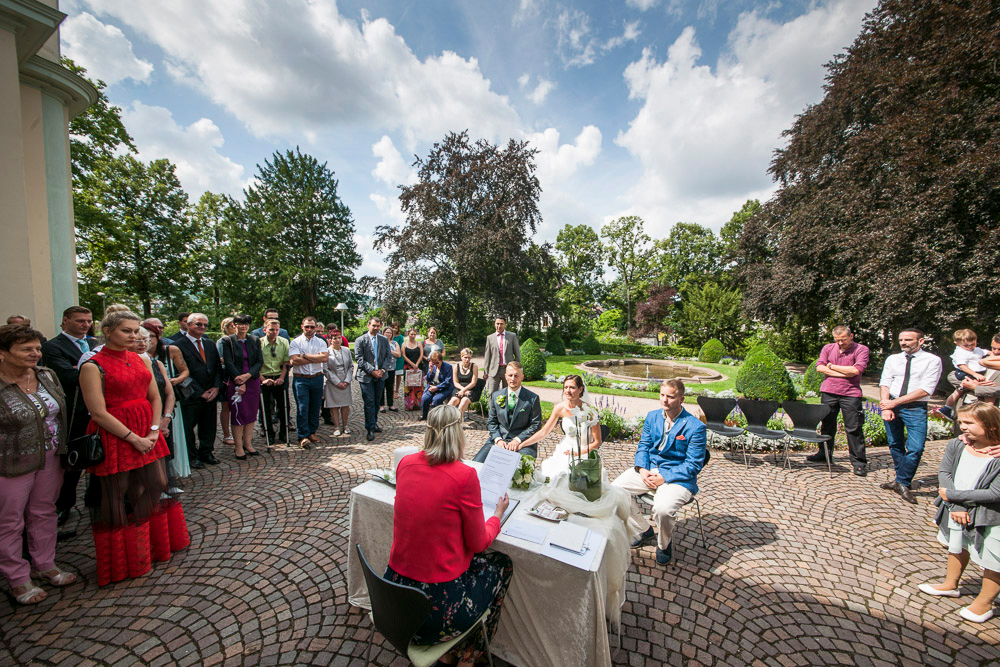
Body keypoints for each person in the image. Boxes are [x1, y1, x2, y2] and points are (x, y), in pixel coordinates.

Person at [386, 404, 513, 666]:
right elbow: (479, 543)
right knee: (501, 564)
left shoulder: (406, 464)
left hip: (394, 598)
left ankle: (448, 653)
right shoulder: (464, 476)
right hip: (436, 610)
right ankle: (467, 657)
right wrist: (497, 516)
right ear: (458, 435)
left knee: (472, 567)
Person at [79, 310, 190, 586]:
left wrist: (153, 431)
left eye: (135, 331)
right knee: (116, 492)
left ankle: (140, 538)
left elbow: (154, 396)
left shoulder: (141, 359)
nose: (132, 336)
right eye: (125, 331)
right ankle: (122, 554)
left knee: (157, 483)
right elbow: (97, 412)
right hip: (115, 431)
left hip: (146, 428)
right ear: (107, 331)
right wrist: (133, 438)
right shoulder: (93, 366)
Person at [0, 324, 77, 604]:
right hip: (10, 461)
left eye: (36, 348)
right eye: (26, 349)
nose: (35, 353)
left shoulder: (46, 375)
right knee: (9, 521)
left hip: (50, 455)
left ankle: (45, 564)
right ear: (3, 353)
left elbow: (58, 412)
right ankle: (17, 577)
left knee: (44, 511)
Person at [612, 379, 708, 565]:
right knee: (615, 490)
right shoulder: (652, 416)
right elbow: (644, 446)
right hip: (650, 469)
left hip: (678, 477)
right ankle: (643, 529)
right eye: (662, 395)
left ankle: (664, 545)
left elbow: (693, 465)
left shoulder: (695, 427)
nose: (664, 400)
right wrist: (642, 469)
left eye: (670, 397)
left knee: (663, 509)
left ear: (681, 398)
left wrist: (665, 477)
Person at [920, 403, 1000, 623]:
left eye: (969, 423)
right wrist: (956, 506)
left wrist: (954, 497)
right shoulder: (958, 445)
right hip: (957, 508)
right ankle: (950, 583)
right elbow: (945, 473)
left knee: (994, 559)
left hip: (989, 514)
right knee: (957, 544)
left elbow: (995, 493)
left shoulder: (997, 454)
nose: (963, 427)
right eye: (961, 422)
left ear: (991, 426)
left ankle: (984, 603)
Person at [41, 306, 97, 531]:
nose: (85, 325)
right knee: (73, 459)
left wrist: (85, 368)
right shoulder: (52, 347)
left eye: (88, 321)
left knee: (99, 454)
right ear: (64, 322)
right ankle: (64, 505)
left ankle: (94, 496)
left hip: (100, 408)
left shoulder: (94, 344)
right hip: (75, 409)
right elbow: (68, 376)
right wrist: (92, 370)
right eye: (80, 321)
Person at [879, 328, 943, 504]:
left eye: (908, 340)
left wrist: (894, 403)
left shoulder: (932, 361)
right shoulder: (893, 359)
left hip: (915, 408)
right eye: (901, 340)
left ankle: (901, 481)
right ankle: (902, 481)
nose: (904, 343)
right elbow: (885, 383)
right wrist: (886, 405)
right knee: (895, 444)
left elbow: (925, 389)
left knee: (916, 447)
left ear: (921, 341)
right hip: (891, 405)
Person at [809, 325, 871, 476]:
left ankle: (859, 462)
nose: (840, 343)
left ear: (851, 336)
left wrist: (833, 367)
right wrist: (845, 373)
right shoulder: (828, 348)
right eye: (837, 340)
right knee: (827, 425)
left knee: (853, 428)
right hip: (828, 391)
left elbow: (856, 370)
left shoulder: (861, 349)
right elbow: (820, 368)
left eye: (843, 340)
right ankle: (824, 454)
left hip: (851, 394)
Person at [520, 375, 602, 479]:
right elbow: (544, 432)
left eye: (572, 387)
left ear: (580, 389)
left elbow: (597, 441)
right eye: (565, 387)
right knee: (554, 476)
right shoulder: (560, 408)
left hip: (584, 452)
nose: (568, 391)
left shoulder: (590, 411)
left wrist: (578, 453)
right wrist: (523, 444)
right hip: (565, 450)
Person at [170, 313, 223, 469]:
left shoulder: (209, 343)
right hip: (191, 393)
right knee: (188, 428)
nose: (202, 328)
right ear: (189, 325)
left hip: (211, 392)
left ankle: (206, 452)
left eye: (205, 325)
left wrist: (216, 387)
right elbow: (180, 371)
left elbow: (217, 368)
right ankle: (192, 456)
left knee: (209, 425)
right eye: (198, 324)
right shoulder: (178, 344)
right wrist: (199, 392)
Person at [473, 362, 542, 462]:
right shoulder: (496, 396)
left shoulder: (532, 398)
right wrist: (498, 439)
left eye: (516, 376)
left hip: (523, 443)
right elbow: (492, 422)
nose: (513, 379)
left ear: (522, 377)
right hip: (499, 440)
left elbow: (536, 425)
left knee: (518, 470)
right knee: (476, 464)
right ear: (505, 376)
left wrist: (517, 440)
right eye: (510, 375)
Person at [147, 327, 189, 484]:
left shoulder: (162, 357)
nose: (147, 340)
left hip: (167, 405)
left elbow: (184, 371)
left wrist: (176, 381)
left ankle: (170, 474)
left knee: (170, 439)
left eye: (152, 336)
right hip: (146, 408)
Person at [221, 315, 262, 460]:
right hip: (235, 380)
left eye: (246, 324)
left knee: (251, 412)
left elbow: (259, 361)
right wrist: (240, 380)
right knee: (238, 413)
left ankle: (248, 443)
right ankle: (238, 446)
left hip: (252, 381)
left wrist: (248, 376)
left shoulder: (255, 340)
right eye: (240, 324)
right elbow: (228, 362)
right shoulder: (228, 341)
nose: (243, 326)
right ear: (234, 324)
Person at [290, 317, 329, 449]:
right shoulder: (296, 342)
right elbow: (294, 361)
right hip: (301, 379)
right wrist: (315, 358)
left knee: (315, 407)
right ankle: (303, 435)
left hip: (317, 377)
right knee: (302, 407)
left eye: (312, 327)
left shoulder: (320, 341)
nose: (309, 329)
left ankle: (312, 432)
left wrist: (304, 356)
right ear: (302, 326)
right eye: (307, 326)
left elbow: (324, 358)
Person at [940, 329, 991, 420]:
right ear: (957, 343)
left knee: (963, 390)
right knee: (960, 390)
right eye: (966, 345)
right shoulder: (961, 352)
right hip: (966, 372)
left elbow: (987, 352)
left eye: (973, 344)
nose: (970, 347)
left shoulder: (977, 349)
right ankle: (947, 407)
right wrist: (974, 374)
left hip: (977, 373)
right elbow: (962, 365)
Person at [355, 318, 390, 442]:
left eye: (378, 326)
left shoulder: (384, 340)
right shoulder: (360, 340)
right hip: (366, 376)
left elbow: (388, 356)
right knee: (369, 402)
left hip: (381, 376)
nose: (376, 328)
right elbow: (359, 358)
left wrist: (382, 370)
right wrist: (372, 371)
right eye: (374, 325)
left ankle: (374, 422)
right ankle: (369, 428)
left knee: (376, 402)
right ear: (368, 325)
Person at [259, 319, 290, 445]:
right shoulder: (258, 343)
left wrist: (282, 378)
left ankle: (284, 433)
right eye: (271, 329)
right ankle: (269, 433)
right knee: (265, 408)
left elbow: (286, 363)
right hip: (264, 377)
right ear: (265, 329)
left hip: (279, 377)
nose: (274, 332)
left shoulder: (284, 342)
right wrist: (263, 380)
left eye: (277, 330)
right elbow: (254, 364)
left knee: (284, 407)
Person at [323, 331, 353, 436]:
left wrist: (347, 380)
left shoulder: (346, 350)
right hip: (333, 381)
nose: (337, 340)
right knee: (334, 405)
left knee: (345, 405)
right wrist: (337, 382)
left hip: (345, 380)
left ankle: (345, 425)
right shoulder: (326, 351)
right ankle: (336, 426)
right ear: (330, 340)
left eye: (339, 338)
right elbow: (325, 369)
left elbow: (351, 366)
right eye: (334, 338)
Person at [483, 317, 520, 398]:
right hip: (494, 371)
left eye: (501, 324)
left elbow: (517, 354)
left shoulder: (512, 336)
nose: (499, 326)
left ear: (505, 325)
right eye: (497, 323)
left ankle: (506, 410)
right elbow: (487, 356)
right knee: (491, 393)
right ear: (494, 324)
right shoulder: (490, 338)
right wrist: (486, 371)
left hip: (508, 370)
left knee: (508, 393)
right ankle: (492, 411)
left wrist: (517, 369)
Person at [959, 334, 1000, 406]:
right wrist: (968, 382)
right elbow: (953, 375)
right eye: (993, 348)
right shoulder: (979, 356)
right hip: (965, 403)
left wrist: (976, 387)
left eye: (999, 349)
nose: (996, 352)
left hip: (987, 410)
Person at [448, 347, 485, 421]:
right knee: (452, 402)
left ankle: (457, 422)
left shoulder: (474, 366)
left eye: (469, 358)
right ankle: (446, 421)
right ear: (461, 357)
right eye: (465, 357)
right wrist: (462, 390)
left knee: (464, 401)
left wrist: (465, 390)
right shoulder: (456, 367)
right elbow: (455, 382)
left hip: (472, 389)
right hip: (459, 388)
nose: (467, 360)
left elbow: (473, 382)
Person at [216, 317, 237, 447]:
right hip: (226, 376)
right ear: (226, 327)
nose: (235, 327)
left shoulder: (241, 340)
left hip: (240, 375)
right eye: (231, 325)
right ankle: (226, 434)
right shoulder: (222, 341)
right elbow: (221, 360)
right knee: (226, 406)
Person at [420, 351, 454, 421]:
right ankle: (424, 415)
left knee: (436, 399)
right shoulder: (432, 367)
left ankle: (439, 417)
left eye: (437, 362)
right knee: (425, 399)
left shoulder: (448, 367)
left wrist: (437, 387)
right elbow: (428, 379)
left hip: (444, 388)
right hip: (433, 386)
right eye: (433, 362)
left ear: (441, 360)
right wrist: (431, 370)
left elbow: (447, 382)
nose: (435, 364)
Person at [379, 326, 401, 413]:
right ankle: (381, 405)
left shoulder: (395, 343)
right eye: (387, 332)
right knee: (381, 387)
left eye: (390, 333)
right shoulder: (380, 342)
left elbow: (398, 354)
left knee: (390, 387)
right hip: (383, 368)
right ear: (383, 333)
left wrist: (389, 351)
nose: (388, 334)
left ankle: (391, 404)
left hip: (392, 368)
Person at [402, 328, 424, 411]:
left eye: (414, 334)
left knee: (418, 385)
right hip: (408, 367)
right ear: (408, 335)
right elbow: (404, 355)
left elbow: (421, 354)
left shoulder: (419, 344)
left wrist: (417, 364)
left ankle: (418, 404)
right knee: (409, 386)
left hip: (418, 366)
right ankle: (409, 405)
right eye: (411, 334)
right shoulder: (404, 344)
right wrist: (412, 364)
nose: (413, 336)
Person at [392, 321, 405, 402]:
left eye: (396, 328)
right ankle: (392, 391)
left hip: (399, 358)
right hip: (391, 358)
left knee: (398, 375)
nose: (394, 329)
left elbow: (401, 347)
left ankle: (397, 390)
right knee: (392, 375)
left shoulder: (400, 337)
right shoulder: (390, 336)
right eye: (393, 328)